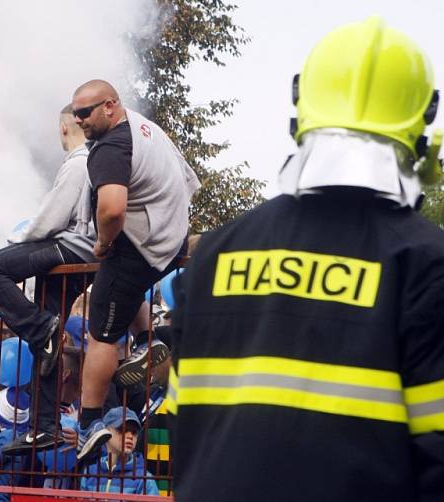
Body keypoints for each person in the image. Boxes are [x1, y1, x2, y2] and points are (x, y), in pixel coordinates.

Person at [168, 17, 444, 502]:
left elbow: (179, 418)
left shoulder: (215, 252)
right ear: (421, 126)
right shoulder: (426, 264)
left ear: (302, 111)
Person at [69, 79, 199, 460]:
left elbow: (111, 210)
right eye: (75, 113)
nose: (79, 121)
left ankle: (89, 421)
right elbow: (189, 178)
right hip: (172, 233)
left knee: (102, 333)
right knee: (121, 295)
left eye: (85, 112)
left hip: (143, 244)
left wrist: (104, 244)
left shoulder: (109, 147)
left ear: (109, 106)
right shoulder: (145, 127)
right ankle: (147, 341)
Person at [0, 104, 96, 453]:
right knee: (47, 349)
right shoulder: (96, 161)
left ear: (64, 127)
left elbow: (49, 220)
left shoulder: (78, 162)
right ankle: (45, 425)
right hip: (81, 256)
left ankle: (41, 328)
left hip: (67, 249)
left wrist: (19, 239)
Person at [80, 407, 160, 495]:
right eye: (122, 430)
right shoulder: (90, 473)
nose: (130, 436)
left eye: (134, 432)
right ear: (106, 431)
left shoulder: (144, 479)